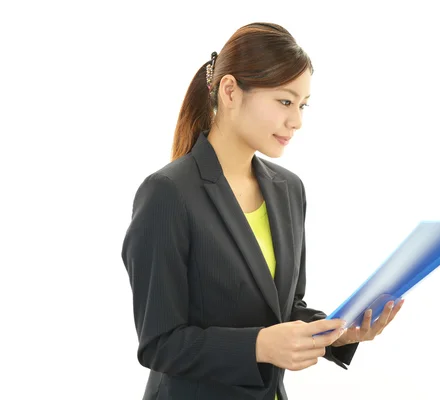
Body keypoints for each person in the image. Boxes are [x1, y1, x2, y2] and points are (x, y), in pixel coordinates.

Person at [121, 22, 405, 400]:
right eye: (285, 102)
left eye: (302, 106)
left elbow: (285, 309)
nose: (297, 121)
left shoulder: (288, 189)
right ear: (230, 91)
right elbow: (159, 343)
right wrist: (258, 347)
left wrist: (339, 331)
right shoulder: (168, 194)